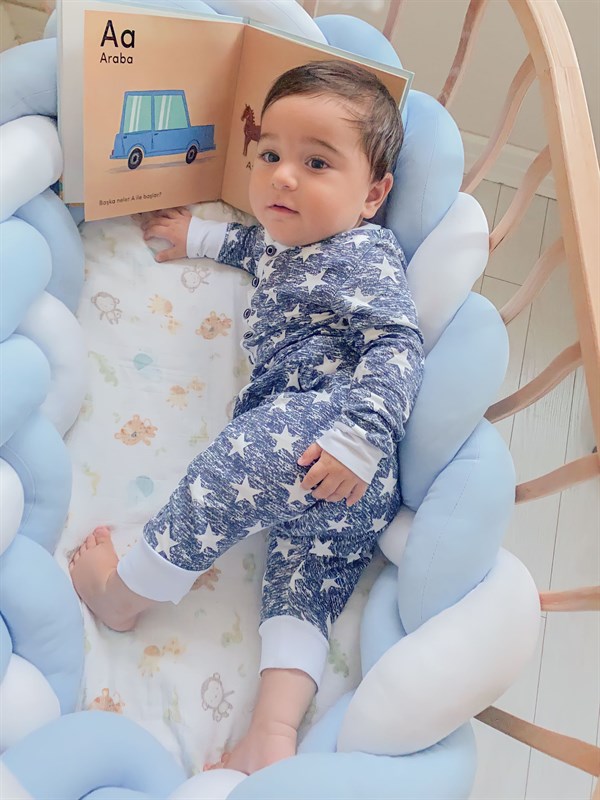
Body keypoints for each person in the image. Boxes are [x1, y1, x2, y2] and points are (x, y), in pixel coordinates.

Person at [69, 60, 424, 775]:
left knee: (226, 468)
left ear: (373, 195)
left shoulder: (364, 254)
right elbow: (255, 248)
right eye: (269, 156)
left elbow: (397, 343)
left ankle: (124, 594)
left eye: (315, 163)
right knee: (301, 584)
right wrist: (193, 236)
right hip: (336, 487)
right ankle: (273, 729)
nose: (282, 178)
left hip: (327, 430)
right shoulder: (291, 239)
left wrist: (360, 437)